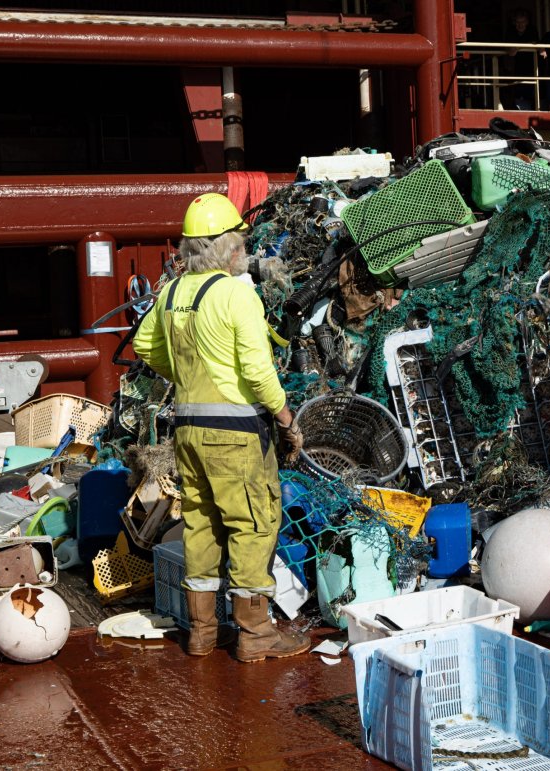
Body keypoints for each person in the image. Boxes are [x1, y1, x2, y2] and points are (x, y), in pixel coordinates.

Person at [133, 192, 309, 663]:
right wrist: (285, 415)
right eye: (240, 243)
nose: (243, 251)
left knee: (202, 524)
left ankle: (203, 634)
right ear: (229, 246)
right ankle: (255, 635)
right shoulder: (236, 293)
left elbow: (145, 346)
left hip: (187, 429)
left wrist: (186, 375)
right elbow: (257, 370)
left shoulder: (170, 293)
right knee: (252, 525)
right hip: (236, 435)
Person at [502, 8, 538, 110]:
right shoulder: (511, 31)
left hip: (531, 66)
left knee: (531, 89)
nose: (520, 25)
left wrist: (517, 47)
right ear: (514, 23)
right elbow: (509, 49)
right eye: (518, 22)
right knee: (516, 90)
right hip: (514, 67)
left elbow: (534, 43)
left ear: (527, 22)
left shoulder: (532, 30)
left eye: (522, 22)